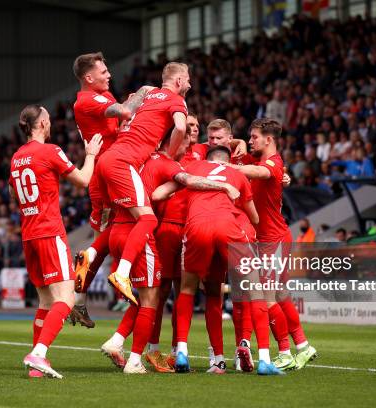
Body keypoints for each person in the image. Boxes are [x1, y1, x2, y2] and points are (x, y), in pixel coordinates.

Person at [99, 131, 239, 374]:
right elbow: (161, 193)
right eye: (186, 133)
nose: (192, 137)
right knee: (158, 294)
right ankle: (145, 351)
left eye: (194, 129)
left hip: (133, 229)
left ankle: (161, 348)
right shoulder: (173, 163)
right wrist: (223, 184)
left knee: (164, 292)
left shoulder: (147, 159)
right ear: (172, 139)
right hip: (162, 230)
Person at [170, 146, 282, 375]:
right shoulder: (237, 174)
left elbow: (165, 192)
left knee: (190, 290)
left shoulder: (193, 167)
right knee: (255, 290)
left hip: (196, 227)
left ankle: (188, 352)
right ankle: (264, 359)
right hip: (227, 226)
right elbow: (255, 217)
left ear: (207, 159)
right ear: (227, 160)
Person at [10, 104, 102, 379]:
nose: (50, 124)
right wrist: (91, 155)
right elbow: (83, 181)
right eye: (48, 120)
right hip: (49, 231)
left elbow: (16, 195)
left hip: (29, 233)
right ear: (39, 124)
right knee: (67, 297)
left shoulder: (16, 157)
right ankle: (38, 354)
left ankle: (37, 365)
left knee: (45, 302)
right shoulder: (49, 151)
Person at [92, 62, 190, 305]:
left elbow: (129, 107)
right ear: (178, 82)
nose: (190, 84)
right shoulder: (176, 100)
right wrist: (171, 152)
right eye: (187, 79)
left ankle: (89, 257)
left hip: (106, 160)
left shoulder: (146, 95)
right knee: (148, 219)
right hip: (123, 161)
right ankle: (122, 273)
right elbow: (180, 126)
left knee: (114, 220)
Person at [71, 52, 153, 328]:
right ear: (88, 77)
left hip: (108, 171)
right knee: (119, 232)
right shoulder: (87, 100)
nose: (109, 75)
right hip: (107, 174)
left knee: (106, 239)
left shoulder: (99, 96)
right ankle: (110, 279)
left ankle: (82, 299)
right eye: (103, 72)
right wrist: (143, 93)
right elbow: (123, 112)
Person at [233, 118, 317, 371]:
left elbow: (262, 172)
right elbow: (249, 162)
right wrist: (236, 143)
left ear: (268, 140)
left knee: (267, 297)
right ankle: (302, 347)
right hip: (269, 239)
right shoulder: (260, 161)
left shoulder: (274, 163)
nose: (250, 141)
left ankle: (284, 351)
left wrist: (226, 169)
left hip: (273, 240)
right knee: (279, 296)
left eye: (254, 137)